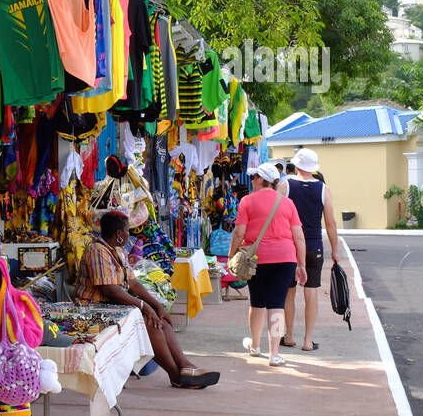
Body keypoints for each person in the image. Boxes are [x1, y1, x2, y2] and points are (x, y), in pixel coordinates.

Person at [73, 211, 220, 389]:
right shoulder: (98, 251)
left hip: (111, 306)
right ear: (119, 234)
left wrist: (157, 306)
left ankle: (186, 367)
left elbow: (133, 283)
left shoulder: (118, 251)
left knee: (161, 321)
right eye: (127, 230)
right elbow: (109, 289)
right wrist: (143, 306)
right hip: (93, 309)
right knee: (149, 324)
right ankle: (175, 375)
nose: (130, 234)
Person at [229, 162, 306, 366]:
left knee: (257, 302)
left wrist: (231, 255)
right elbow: (299, 237)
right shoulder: (287, 203)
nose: (252, 180)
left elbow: (239, 232)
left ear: (262, 179)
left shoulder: (247, 201)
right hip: (286, 259)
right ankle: (274, 354)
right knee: (277, 305)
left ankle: (255, 346)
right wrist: (302, 264)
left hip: (257, 258)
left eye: (254, 177)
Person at [280, 147, 338, 352]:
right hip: (314, 246)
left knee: (288, 291)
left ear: (296, 165)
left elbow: (277, 217)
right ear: (313, 168)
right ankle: (307, 340)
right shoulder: (323, 189)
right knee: (311, 291)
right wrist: (335, 250)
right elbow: (330, 223)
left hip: (289, 246)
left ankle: (288, 336)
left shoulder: (285, 186)